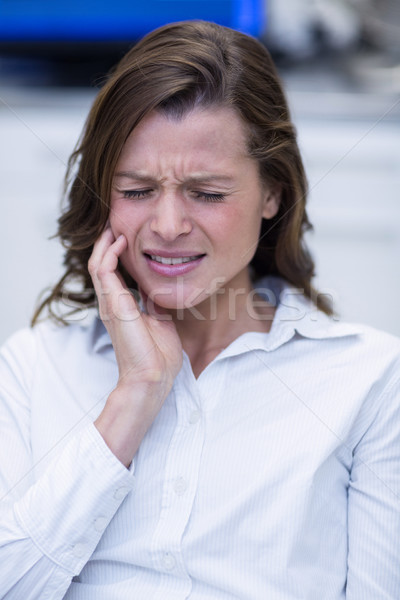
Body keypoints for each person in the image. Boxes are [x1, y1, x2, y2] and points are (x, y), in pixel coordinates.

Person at [0, 20, 399, 600]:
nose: (166, 227)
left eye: (208, 193)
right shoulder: (32, 368)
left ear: (273, 193)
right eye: (135, 191)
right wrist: (136, 394)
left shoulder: (372, 381)